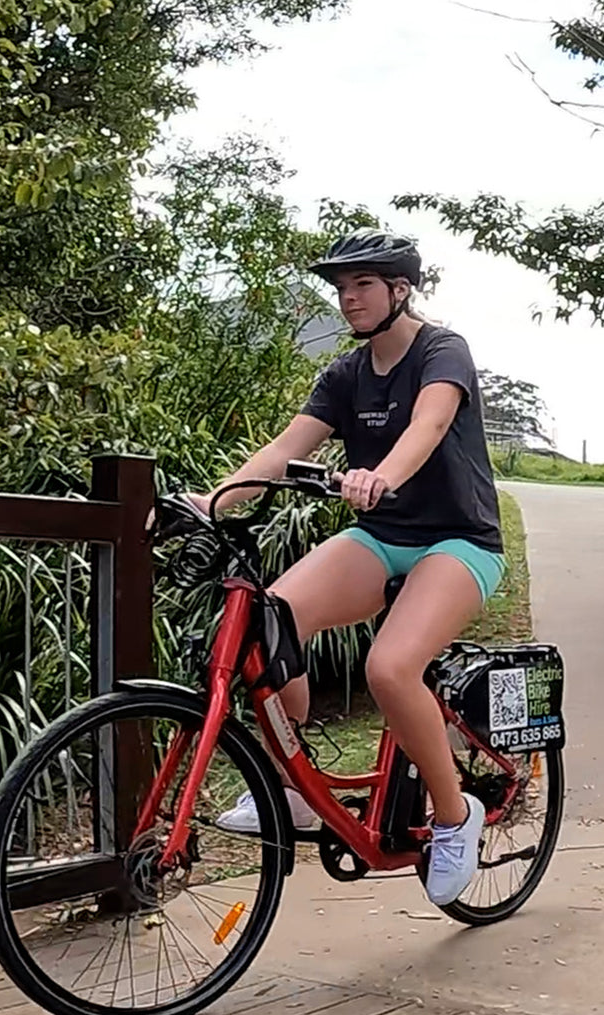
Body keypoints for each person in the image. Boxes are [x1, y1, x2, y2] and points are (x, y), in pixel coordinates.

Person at [175, 227, 504, 907]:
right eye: (341, 288)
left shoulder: (442, 350)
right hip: (382, 536)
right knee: (271, 623)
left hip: (459, 541)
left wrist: (380, 476)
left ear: (399, 290)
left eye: (362, 286)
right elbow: (286, 446)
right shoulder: (345, 374)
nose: (347, 299)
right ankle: (293, 791)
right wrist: (214, 500)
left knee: (388, 668)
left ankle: (453, 817)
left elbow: (430, 425)